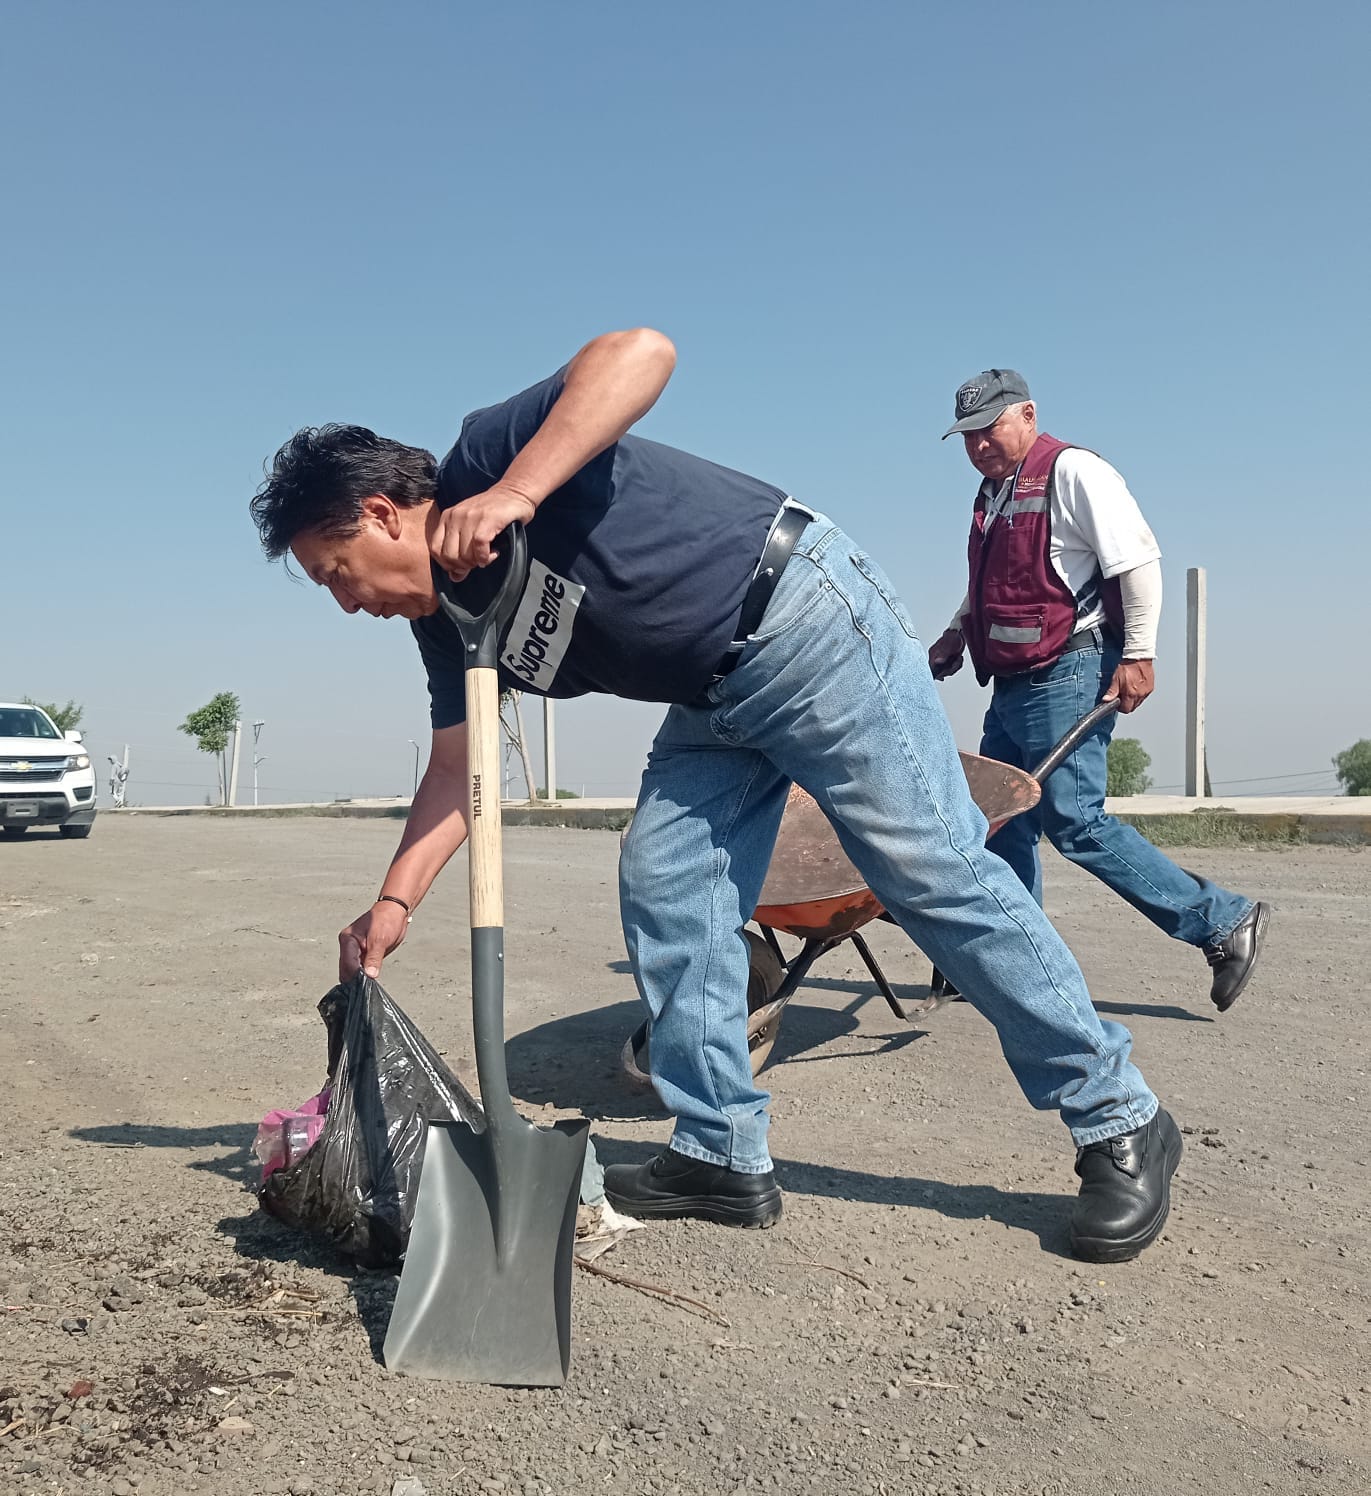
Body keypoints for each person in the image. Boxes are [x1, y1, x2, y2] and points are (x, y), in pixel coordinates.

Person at [251, 329, 1182, 1263]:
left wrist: (513, 494)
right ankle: (720, 1153)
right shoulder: (445, 630)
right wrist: (393, 901)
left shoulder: (487, 458)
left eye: (336, 573)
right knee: (667, 881)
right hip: (713, 696)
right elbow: (458, 771)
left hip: (802, 616)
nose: (345, 603)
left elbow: (639, 352)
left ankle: (1118, 1119)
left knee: (927, 866)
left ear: (380, 514)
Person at [928, 370, 1268, 1012]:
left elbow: (1136, 562)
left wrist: (1138, 653)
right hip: (1013, 680)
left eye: (987, 430)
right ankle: (1010, 960)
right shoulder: (995, 492)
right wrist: (956, 631)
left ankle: (1221, 921)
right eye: (966, 437)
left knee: (1073, 819)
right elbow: (998, 583)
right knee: (999, 818)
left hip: (1070, 669)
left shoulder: (1075, 472)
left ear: (1026, 414)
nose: (976, 446)